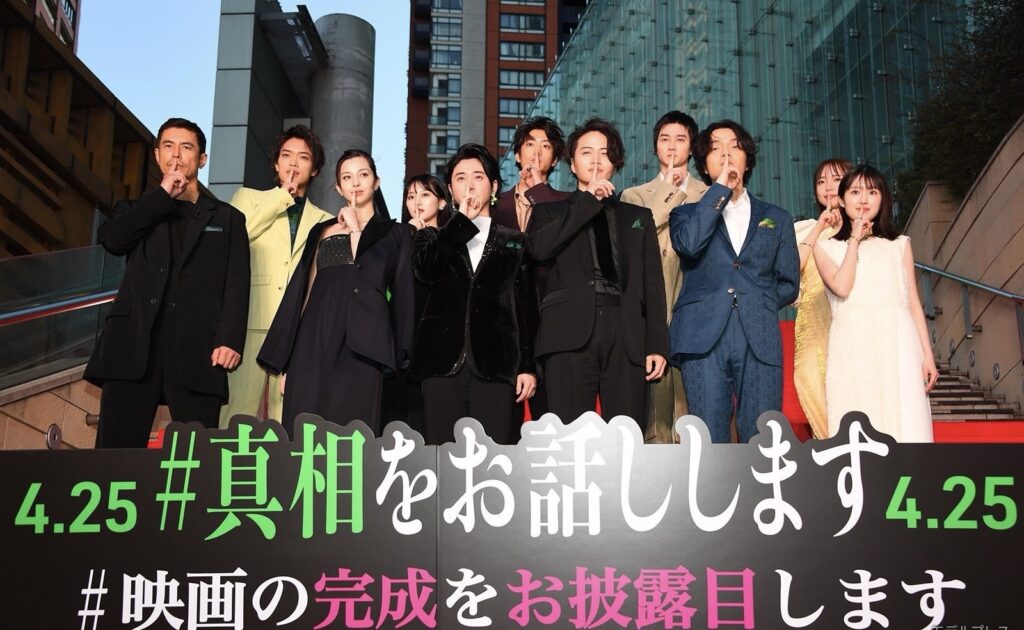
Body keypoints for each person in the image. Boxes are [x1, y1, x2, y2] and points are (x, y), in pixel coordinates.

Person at [85, 118, 249, 448]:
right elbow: (114, 240)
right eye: (168, 146)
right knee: (114, 454)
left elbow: (237, 283)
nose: (176, 154)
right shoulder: (136, 210)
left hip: (198, 350)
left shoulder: (228, 218)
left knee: (198, 457)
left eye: (186, 147)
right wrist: (162, 195)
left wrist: (229, 339)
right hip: (133, 344)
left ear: (202, 159)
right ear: (157, 155)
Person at [257, 150, 414, 437]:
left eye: (363, 175)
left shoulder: (397, 233)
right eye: (347, 177)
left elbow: (399, 295)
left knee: (353, 439)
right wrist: (288, 360)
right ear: (338, 187)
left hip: (364, 347)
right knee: (304, 434)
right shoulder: (322, 230)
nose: (356, 183)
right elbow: (304, 293)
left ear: (376, 182)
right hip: (313, 341)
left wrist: (354, 228)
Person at [526, 118, 669, 427]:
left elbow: (652, 285)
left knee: (627, 433)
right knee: (569, 433)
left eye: (604, 153)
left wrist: (657, 344)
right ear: (572, 163)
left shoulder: (638, 217)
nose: (596, 160)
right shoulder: (549, 211)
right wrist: (587, 201)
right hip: (569, 332)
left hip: (627, 332)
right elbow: (538, 250)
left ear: (615, 163)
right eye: (586, 152)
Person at [668, 120, 799, 444]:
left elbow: (788, 281)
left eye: (735, 146)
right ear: (704, 165)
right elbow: (689, 245)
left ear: (748, 160)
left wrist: (759, 301)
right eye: (716, 148)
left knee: (762, 434)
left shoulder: (777, 218)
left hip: (758, 333)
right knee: (709, 437)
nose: (726, 154)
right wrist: (720, 192)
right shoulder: (685, 214)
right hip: (702, 334)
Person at [411, 144, 538, 445]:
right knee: (441, 458)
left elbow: (526, 308)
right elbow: (425, 271)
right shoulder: (431, 237)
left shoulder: (515, 241)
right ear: (450, 190)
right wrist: (460, 224)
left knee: (492, 458)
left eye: (478, 177)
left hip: (496, 365)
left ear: (493, 187)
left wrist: (528, 367)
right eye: (460, 178)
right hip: (441, 363)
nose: (469, 185)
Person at [219, 125, 332, 427]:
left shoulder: (325, 220)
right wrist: (282, 197)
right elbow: (233, 240)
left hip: (294, 338)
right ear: (276, 163)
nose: (294, 163)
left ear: (315, 169)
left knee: (288, 428)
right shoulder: (248, 198)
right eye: (286, 155)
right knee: (235, 424)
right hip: (248, 329)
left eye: (303, 157)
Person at [813, 165, 936, 442]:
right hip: (852, 346)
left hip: (899, 343)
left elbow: (913, 303)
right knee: (857, 423)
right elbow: (842, 287)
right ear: (842, 199)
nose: (864, 199)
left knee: (905, 426)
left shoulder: (899, 244)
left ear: (882, 199)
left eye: (872, 192)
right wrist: (854, 239)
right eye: (855, 192)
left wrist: (927, 355)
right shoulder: (826, 248)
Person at [620, 110, 708, 443]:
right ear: (655, 146)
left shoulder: (708, 195)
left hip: (694, 313)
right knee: (655, 421)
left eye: (680, 139)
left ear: (692, 146)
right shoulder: (635, 195)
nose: (671, 146)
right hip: (651, 315)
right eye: (664, 139)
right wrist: (669, 190)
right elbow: (635, 234)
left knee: (693, 419)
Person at [494, 116, 571, 425]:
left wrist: (540, 191)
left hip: (551, 320)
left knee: (551, 420)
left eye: (546, 146)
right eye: (529, 145)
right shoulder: (493, 206)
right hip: (503, 322)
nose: (537, 153)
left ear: (555, 159)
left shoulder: (566, 204)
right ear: (517, 154)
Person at [380, 174, 453, 435]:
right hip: (402, 332)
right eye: (411, 196)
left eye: (425, 194)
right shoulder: (397, 236)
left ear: (442, 202)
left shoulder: (450, 238)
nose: (417, 202)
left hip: (437, 334)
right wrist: (407, 235)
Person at [792, 158, 851, 438]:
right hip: (812, 323)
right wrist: (820, 227)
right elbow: (792, 269)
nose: (828, 187)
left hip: (848, 321)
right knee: (809, 382)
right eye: (821, 181)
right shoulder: (805, 229)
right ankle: (829, 447)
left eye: (836, 179)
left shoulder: (863, 230)